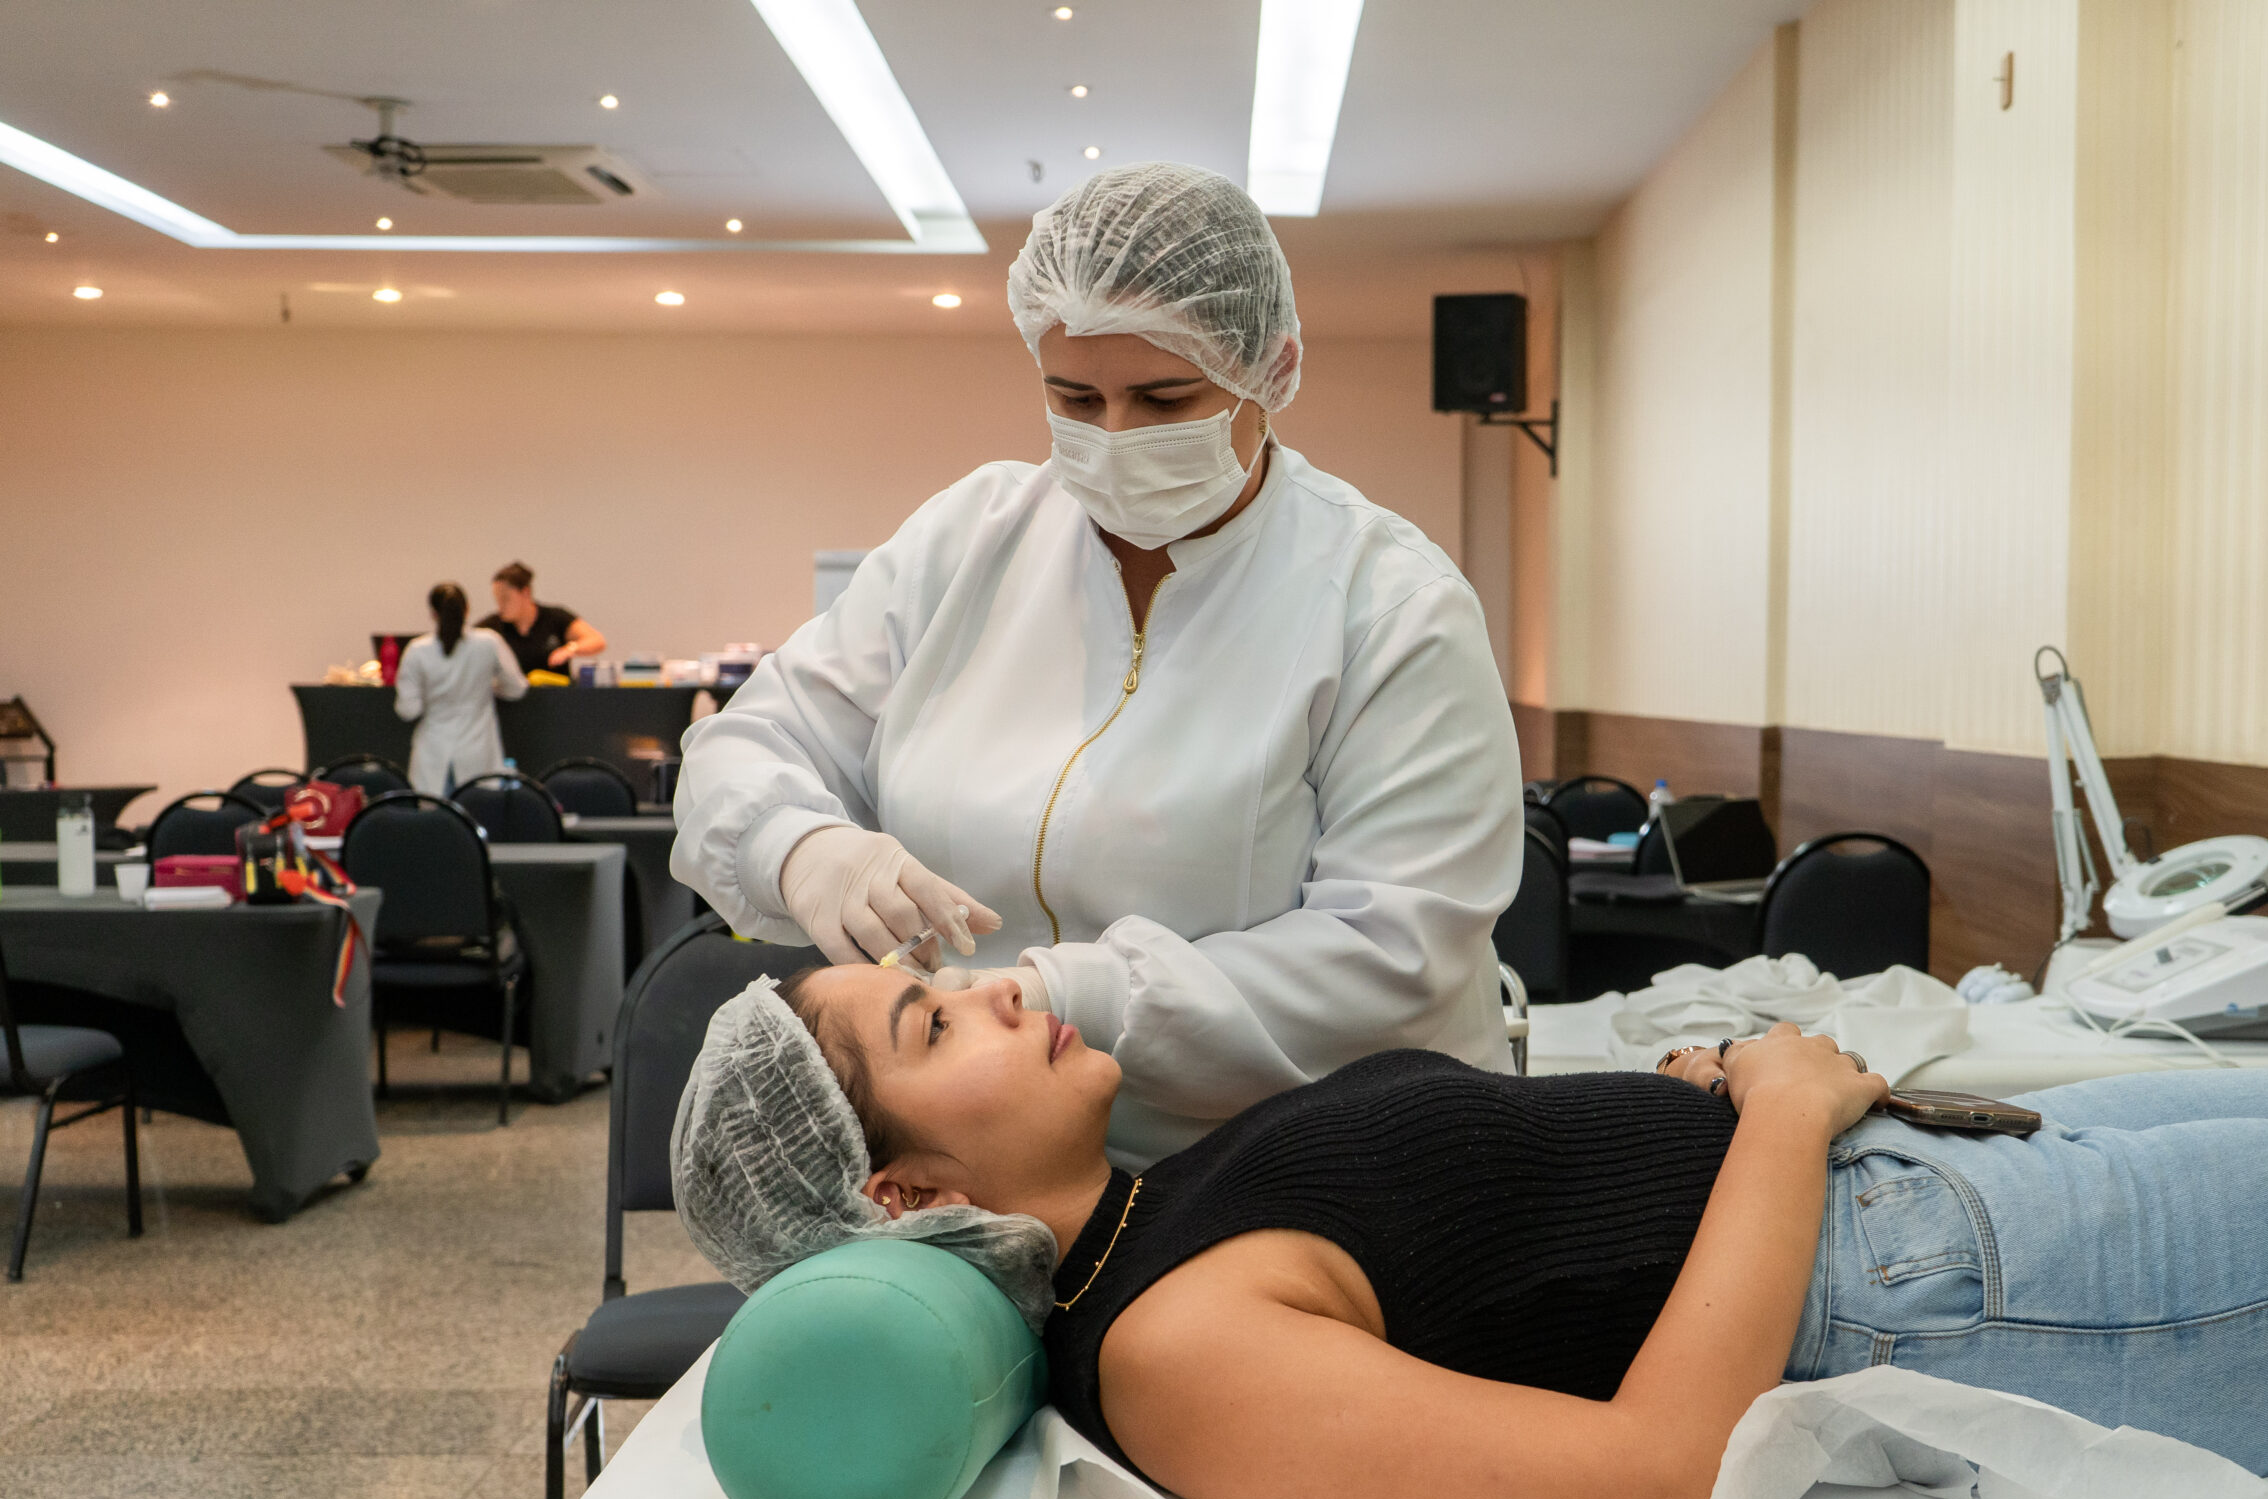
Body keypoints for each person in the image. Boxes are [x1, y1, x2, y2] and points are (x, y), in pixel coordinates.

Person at [672, 963, 2268, 1499]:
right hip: (1948, 1268)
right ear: (908, 1200)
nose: (999, 980)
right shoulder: (1170, 1352)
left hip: (1914, 1168)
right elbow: (1663, 1462)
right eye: (937, 1027)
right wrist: (1781, 1123)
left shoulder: (1161, 1196)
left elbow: (1503, 1220)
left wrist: (1688, 1099)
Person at [671, 163, 1519, 1166]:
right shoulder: (969, 541)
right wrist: (800, 845)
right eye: (1073, 397)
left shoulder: (1386, 600)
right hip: (998, 1165)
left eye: (1165, 399)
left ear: (1272, 372)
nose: (1113, 437)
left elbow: (1393, 952)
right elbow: (750, 740)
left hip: (1291, 1170)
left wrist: (1072, 994)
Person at [395, 582, 526, 795]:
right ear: (467, 609)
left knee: (435, 821)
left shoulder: (417, 651)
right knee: (479, 816)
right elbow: (517, 688)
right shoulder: (489, 643)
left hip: (433, 751)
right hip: (477, 751)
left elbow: (408, 710)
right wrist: (490, 687)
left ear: (433, 613)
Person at [480, 561, 607, 676]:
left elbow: (596, 640)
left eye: (506, 598)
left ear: (525, 592)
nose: (501, 605)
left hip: (557, 695)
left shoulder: (555, 617)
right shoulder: (492, 627)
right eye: (497, 599)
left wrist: (570, 649)